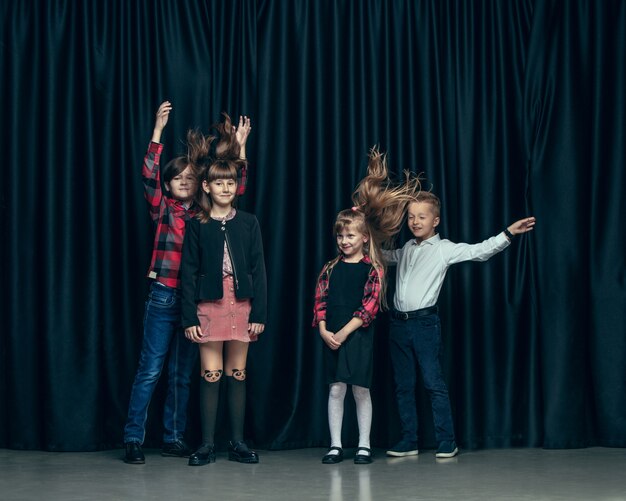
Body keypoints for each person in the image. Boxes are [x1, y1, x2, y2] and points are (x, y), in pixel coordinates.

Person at [123, 101, 251, 464]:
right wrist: (158, 132)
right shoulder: (161, 208)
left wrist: (239, 145)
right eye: (176, 177)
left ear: (199, 186)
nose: (183, 182)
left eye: (189, 178)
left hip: (195, 300)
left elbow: (234, 187)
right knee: (151, 368)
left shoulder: (203, 215)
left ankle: (173, 437)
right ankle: (133, 437)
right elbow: (148, 175)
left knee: (181, 372)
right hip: (164, 295)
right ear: (168, 184)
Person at [383, 191, 536, 459]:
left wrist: (508, 233)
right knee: (403, 385)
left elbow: (480, 251)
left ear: (436, 220)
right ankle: (409, 440)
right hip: (398, 324)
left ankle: (447, 441)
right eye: (411, 217)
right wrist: (362, 229)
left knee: (433, 383)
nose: (415, 221)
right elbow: (384, 257)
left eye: (422, 216)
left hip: (424, 324)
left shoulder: (444, 249)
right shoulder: (407, 248)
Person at [313, 149, 421, 465]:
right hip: (331, 333)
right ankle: (335, 445)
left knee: (360, 390)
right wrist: (324, 330)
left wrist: (344, 332)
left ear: (363, 238)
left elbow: (369, 308)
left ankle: (363, 444)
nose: (344, 240)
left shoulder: (373, 268)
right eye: (340, 235)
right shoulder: (330, 268)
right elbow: (319, 302)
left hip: (356, 336)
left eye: (350, 235)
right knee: (336, 390)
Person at [180, 121, 267, 466]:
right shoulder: (197, 225)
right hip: (210, 305)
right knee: (211, 374)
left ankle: (238, 442)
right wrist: (189, 317)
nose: (226, 187)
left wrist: (259, 314)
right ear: (207, 186)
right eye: (219, 182)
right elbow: (187, 273)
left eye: (231, 182)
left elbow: (259, 270)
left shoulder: (248, 222)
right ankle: (206, 445)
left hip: (242, 305)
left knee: (238, 373)